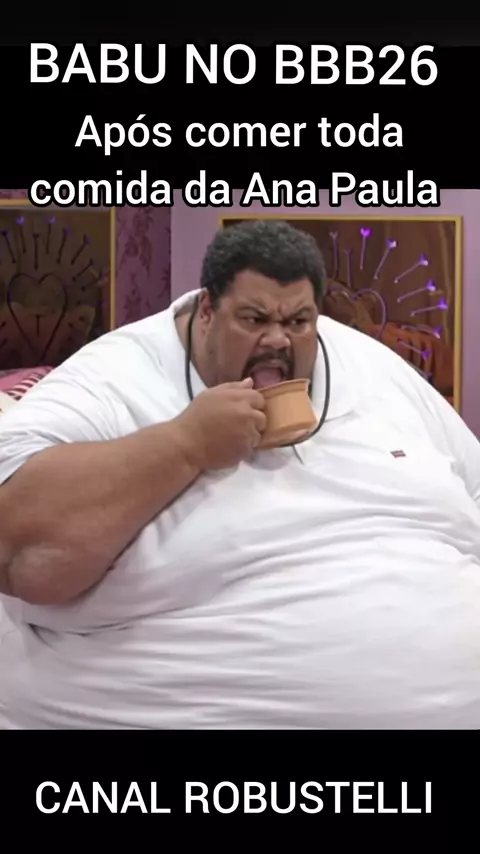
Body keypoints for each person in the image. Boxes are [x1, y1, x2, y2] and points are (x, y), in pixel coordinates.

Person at [1, 219, 480, 730]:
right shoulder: (112, 378)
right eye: (254, 319)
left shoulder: (370, 365)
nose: (277, 340)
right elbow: (17, 547)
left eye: (298, 321)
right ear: (207, 310)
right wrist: (185, 444)